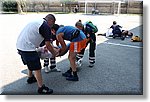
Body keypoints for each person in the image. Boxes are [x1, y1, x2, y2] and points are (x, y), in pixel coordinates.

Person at [16, 14, 59, 94]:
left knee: (31, 61)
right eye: (52, 24)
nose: (51, 26)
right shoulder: (45, 26)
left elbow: (36, 38)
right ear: (51, 21)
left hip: (20, 45)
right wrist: (54, 53)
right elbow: (48, 44)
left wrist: (44, 48)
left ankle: (30, 77)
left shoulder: (38, 22)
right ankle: (41, 87)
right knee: (37, 67)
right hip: (27, 47)